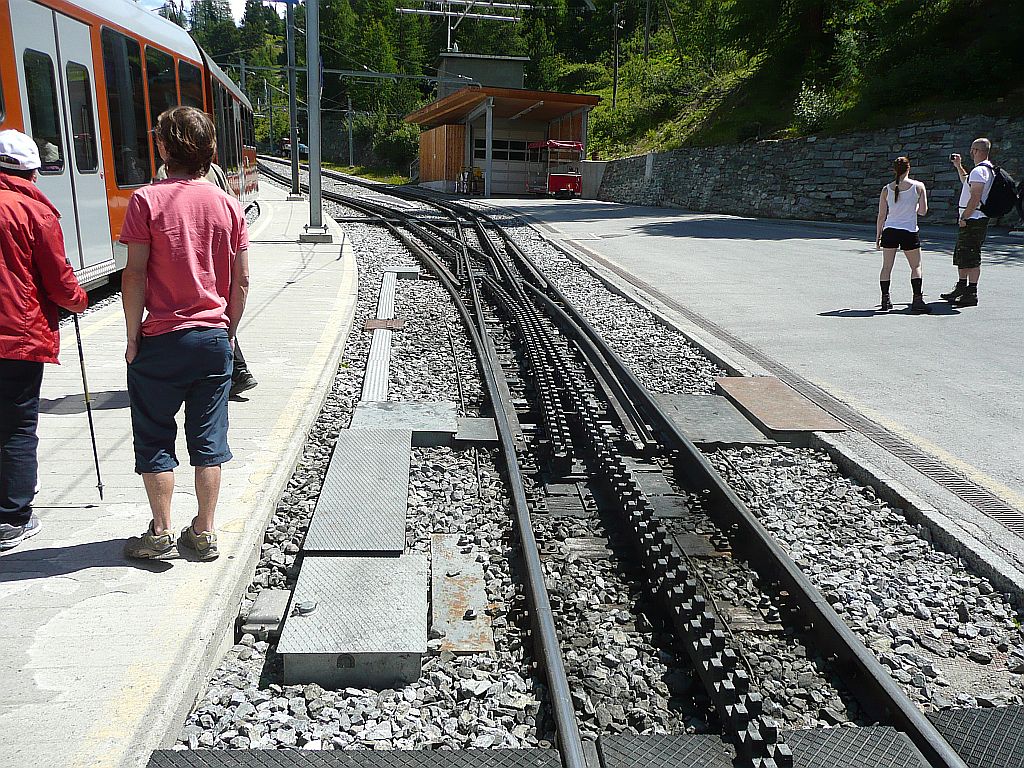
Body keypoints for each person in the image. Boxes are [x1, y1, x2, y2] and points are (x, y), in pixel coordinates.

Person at [120, 106, 249, 560]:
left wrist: (133, 335)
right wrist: (227, 332)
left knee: (155, 436)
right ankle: (206, 531)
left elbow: (134, 275)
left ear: (162, 147)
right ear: (210, 151)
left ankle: (160, 532)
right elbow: (242, 280)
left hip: (161, 338)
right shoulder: (229, 205)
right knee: (209, 438)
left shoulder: (146, 201)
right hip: (212, 339)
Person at [0, 129, 88, 550]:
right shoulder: (34, 212)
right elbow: (57, 279)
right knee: (17, 425)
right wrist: (78, 300)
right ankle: (12, 517)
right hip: (15, 335)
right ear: (33, 171)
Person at [155, 161, 258, 396]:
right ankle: (238, 370)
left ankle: (233, 371)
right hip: (217, 256)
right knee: (217, 314)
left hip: (189, 260)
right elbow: (234, 206)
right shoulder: (216, 170)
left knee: (200, 315)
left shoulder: (165, 172)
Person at [941, 138, 995, 307]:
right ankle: (962, 287)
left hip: (973, 219)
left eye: (972, 150)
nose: (971, 153)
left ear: (976, 151)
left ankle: (971, 292)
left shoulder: (980, 171)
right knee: (964, 254)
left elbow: (975, 196)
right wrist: (958, 166)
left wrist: (965, 216)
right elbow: (967, 182)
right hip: (976, 217)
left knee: (971, 254)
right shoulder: (986, 170)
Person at [875, 156, 931, 313]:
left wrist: (878, 236)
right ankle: (917, 300)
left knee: (886, 267)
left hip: (890, 230)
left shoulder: (886, 189)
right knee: (916, 266)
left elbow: (881, 216)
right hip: (909, 231)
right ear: (909, 168)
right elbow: (922, 211)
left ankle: (885, 299)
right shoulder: (918, 187)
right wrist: (914, 205)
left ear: (894, 170)